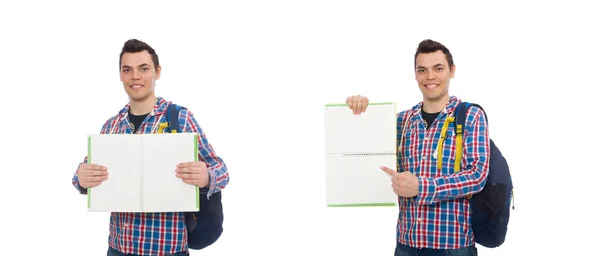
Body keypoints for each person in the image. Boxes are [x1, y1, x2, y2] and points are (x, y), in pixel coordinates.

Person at [71, 39, 230, 256]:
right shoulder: (111, 126)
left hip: (168, 251)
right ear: (120, 75)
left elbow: (221, 170)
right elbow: (81, 178)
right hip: (118, 249)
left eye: (143, 69)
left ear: (157, 72)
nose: (135, 76)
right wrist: (82, 177)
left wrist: (206, 176)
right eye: (127, 70)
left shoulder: (180, 118)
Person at [346, 39, 489, 256]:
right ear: (415, 74)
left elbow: (477, 176)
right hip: (407, 245)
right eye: (422, 70)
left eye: (438, 68)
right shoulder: (401, 121)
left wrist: (422, 187)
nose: (429, 76)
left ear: (452, 71)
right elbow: (363, 151)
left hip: (453, 247)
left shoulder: (470, 116)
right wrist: (360, 110)